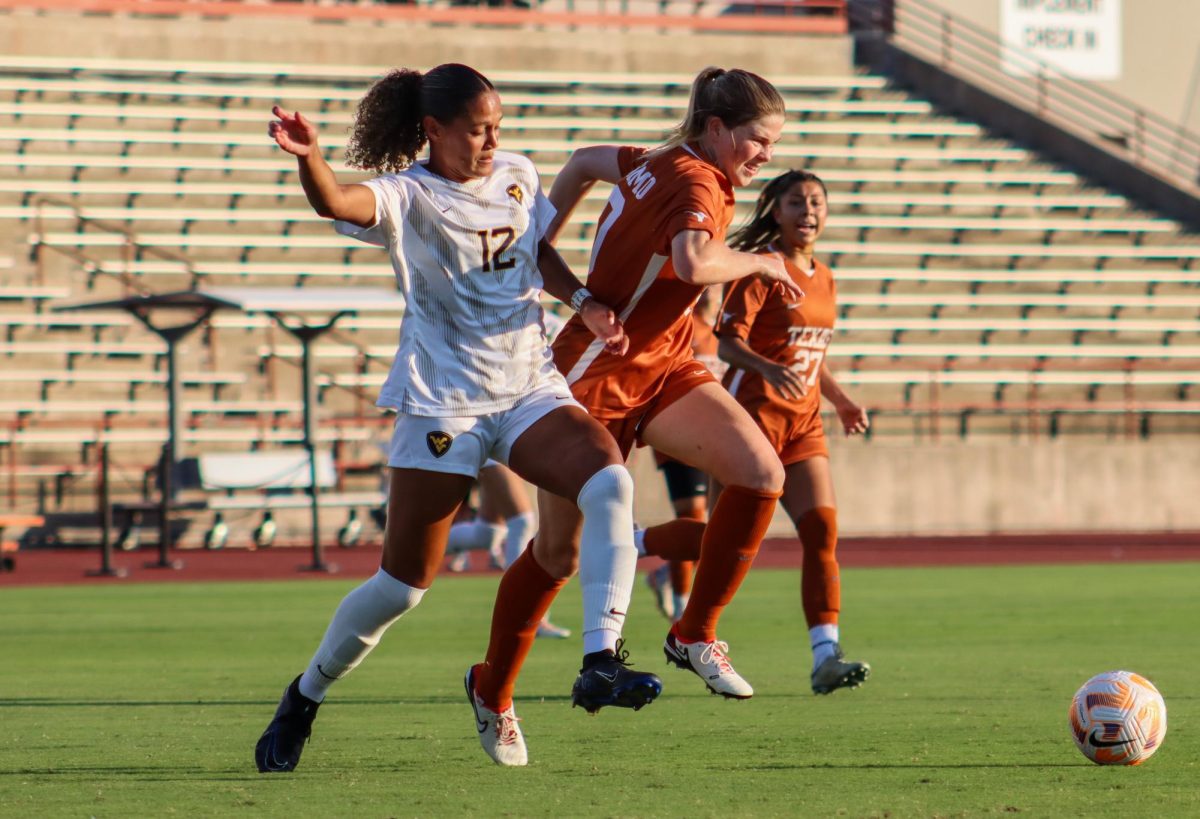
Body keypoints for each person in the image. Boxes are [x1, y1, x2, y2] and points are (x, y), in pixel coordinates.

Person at [254, 63, 661, 773]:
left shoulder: (516, 173)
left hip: (527, 384)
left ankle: (601, 658)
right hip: (444, 399)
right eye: (478, 128)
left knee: (609, 482)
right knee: (403, 587)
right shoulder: (411, 194)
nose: (492, 138)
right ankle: (304, 697)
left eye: (497, 124)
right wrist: (310, 158)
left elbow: (534, 253)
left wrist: (582, 300)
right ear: (434, 130)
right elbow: (337, 204)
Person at [470, 66, 804, 708]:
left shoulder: (660, 159)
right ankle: (494, 690)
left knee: (761, 474)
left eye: (773, 144)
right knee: (558, 555)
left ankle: (695, 634)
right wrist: (762, 259)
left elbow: (583, 160)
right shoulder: (695, 178)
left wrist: (544, 238)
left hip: (664, 359)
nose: (767, 155)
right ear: (715, 129)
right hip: (596, 366)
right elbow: (693, 263)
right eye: (758, 140)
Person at [714, 169, 871, 695]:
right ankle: (635, 542)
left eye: (817, 202)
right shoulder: (760, 270)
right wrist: (765, 367)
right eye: (797, 202)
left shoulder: (825, 276)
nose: (809, 211)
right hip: (749, 421)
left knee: (822, 533)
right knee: (723, 544)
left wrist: (842, 400)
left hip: (802, 424)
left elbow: (812, 354)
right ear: (774, 211)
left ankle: (826, 654)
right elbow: (727, 345)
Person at [643, 287, 724, 621]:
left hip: (716, 439)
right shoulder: (683, 327)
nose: (708, 292)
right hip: (680, 438)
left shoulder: (726, 333)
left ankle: (665, 575)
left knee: (717, 531)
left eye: (714, 285)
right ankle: (681, 609)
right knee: (691, 517)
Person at [444, 459, 572, 639]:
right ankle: (526, 616)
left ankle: (411, 551)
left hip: (501, 438)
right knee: (522, 521)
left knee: (488, 533)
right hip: (494, 436)